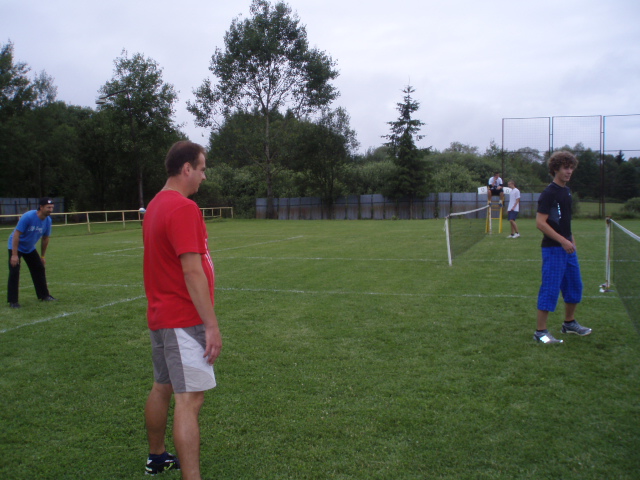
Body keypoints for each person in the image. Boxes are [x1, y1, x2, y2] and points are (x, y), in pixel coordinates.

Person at [142, 141, 222, 479]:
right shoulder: (183, 207)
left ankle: (157, 457)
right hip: (182, 319)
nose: (204, 176)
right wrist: (211, 325)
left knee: (163, 386)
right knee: (189, 400)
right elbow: (191, 271)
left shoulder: (155, 205)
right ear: (186, 168)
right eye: (201, 169)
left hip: (162, 317)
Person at [534, 151, 592, 344]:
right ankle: (540, 333)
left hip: (568, 248)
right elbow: (540, 223)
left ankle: (569, 323)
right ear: (555, 169)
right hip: (553, 249)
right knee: (550, 289)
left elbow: (564, 221)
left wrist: (571, 240)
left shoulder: (566, 191)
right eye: (565, 168)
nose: (569, 171)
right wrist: (562, 241)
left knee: (574, 286)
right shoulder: (549, 193)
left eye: (571, 168)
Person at [7, 197, 57, 308]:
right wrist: (14, 255)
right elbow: (16, 235)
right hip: (16, 246)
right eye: (48, 207)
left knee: (39, 268)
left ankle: (44, 296)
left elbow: (45, 239)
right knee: (14, 270)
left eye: (52, 207)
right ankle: (13, 301)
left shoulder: (48, 221)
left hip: (29, 248)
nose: (50, 210)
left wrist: (42, 256)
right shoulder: (28, 217)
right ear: (41, 207)